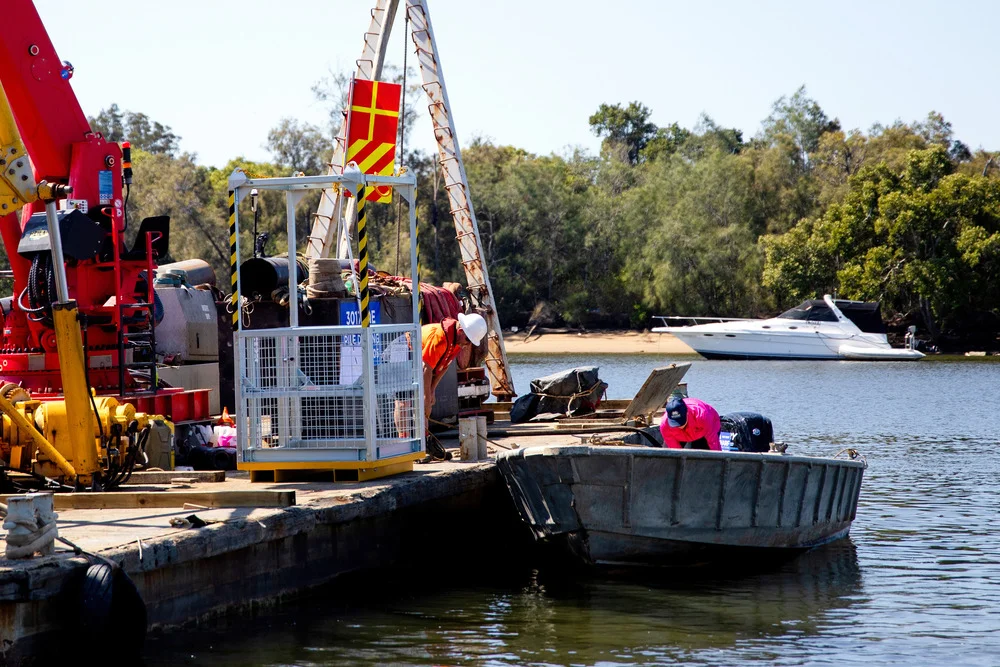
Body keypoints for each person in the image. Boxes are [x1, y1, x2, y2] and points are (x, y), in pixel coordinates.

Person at [392, 312, 488, 439]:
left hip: (418, 359)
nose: (468, 344)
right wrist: (426, 397)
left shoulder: (457, 343)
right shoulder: (440, 338)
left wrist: (431, 391)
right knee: (404, 401)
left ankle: (424, 442)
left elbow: (444, 366)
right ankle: (403, 440)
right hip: (402, 350)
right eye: (468, 340)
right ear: (460, 331)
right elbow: (426, 367)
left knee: (424, 402)